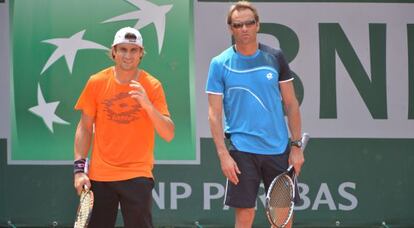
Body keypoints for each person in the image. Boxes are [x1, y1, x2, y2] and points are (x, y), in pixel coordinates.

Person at [205, 1, 304, 227]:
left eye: (249, 23)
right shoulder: (219, 64)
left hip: (278, 149)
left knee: (282, 220)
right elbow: (214, 113)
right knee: (245, 215)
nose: (244, 29)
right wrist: (223, 155)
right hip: (241, 151)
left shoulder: (275, 57)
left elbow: (291, 103)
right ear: (231, 29)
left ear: (258, 24)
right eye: (238, 25)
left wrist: (296, 147)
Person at [73, 26, 175, 228]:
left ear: (140, 54)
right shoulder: (96, 82)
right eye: (123, 49)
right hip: (100, 177)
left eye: (133, 50)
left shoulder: (152, 86)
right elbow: (84, 128)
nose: (128, 55)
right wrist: (79, 170)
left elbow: (168, 133)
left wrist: (147, 104)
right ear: (114, 52)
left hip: (138, 175)